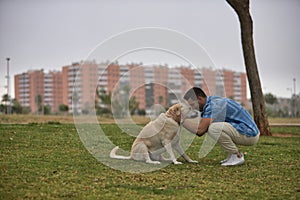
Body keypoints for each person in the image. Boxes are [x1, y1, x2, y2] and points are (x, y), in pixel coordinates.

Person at [182, 87, 260, 166]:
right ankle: (231, 156)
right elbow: (201, 125)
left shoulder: (213, 105)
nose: (192, 108)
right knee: (212, 127)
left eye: (192, 104)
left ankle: (236, 156)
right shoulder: (212, 102)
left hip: (250, 134)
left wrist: (181, 121)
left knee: (213, 128)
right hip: (247, 131)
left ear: (200, 98)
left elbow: (200, 130)